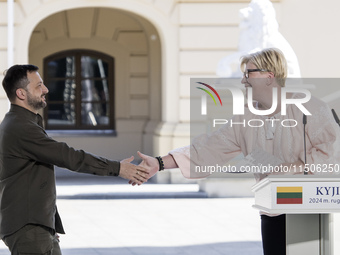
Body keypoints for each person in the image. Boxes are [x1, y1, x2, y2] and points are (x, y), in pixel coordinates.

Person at [134, 48, 340, 255]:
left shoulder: (310, 108)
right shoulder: (245, 119)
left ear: (269, 76)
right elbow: (206, 149)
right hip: (273, 211)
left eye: (248, 74)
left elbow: (332, 151)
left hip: (311, 210)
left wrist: (292, 168)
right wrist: (159, 163)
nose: (243, 81)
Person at [0, 64, 149, 255]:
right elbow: (69, 157)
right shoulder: (21, 128)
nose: (45, 89)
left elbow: (28, 179)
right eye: (39, 86)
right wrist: (118, 168)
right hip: (28, 228)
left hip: (35, 226)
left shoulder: (20, 123)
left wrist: (48, 224)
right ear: (21, 93)